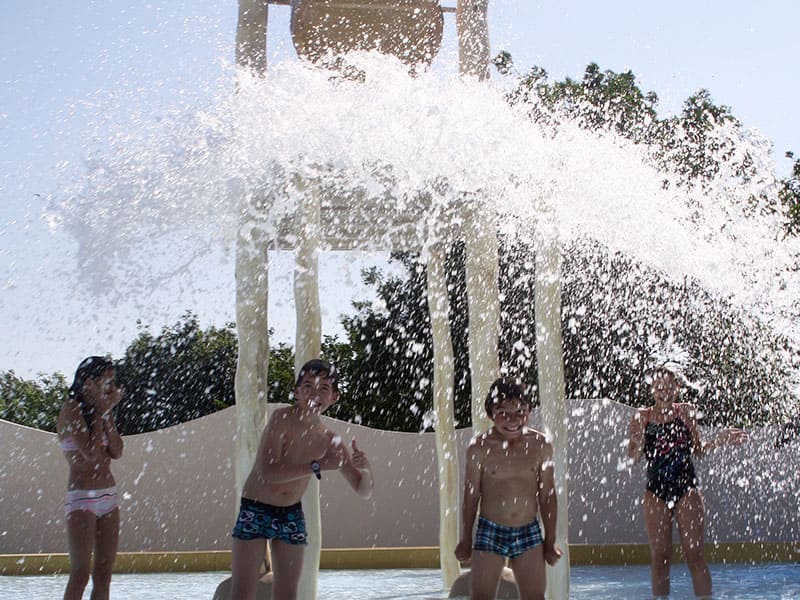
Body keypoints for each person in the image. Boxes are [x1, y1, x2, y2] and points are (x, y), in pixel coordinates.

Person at [227, 358, 374, 600]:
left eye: (324, 388)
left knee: (288, 594)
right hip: (256, 508)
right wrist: (317, 465)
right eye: (308, 386)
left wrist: (366, 470)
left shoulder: (330, 439)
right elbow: (269, 472)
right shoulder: (281, 419)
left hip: (291, 514)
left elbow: (363, 490)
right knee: (243, 592)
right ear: (297, 392)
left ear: (334, 397)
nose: (314, 393)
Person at [627, 365, 748, 599]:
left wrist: (720, 439)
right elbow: (632, 457)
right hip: (655, 492)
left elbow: (698, 450)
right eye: (659, 388)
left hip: (687, 489)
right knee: (660, 557)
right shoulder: (642, 416)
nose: (665, 392)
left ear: (678, 388)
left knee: (695, 554)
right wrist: (638, 441)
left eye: (670, 387)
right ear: (652, 389)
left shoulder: (687, 411)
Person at [455, 377, 562, 600]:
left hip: (528, 529)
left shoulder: (541, 445)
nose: (513, 419)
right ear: (490, 413)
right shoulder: (479, 448)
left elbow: (547, 496)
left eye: (521, 411)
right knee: (481, 597)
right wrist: (466, 539)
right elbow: (471, 496)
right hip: (490, 529)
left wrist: (550, 541)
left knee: (535, 596)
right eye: (503, 412)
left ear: (529, 412)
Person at [57, 356, 124, 600]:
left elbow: (116, 451)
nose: (110, 389)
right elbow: (89, 453)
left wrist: (106, 415)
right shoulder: (71, 409)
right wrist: (100, 414)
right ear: (88, 382)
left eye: (112, 383)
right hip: (81, 498)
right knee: (80, 573)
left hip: (109, 496)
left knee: (104, 573)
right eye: (106, 382)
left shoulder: (103, 412)